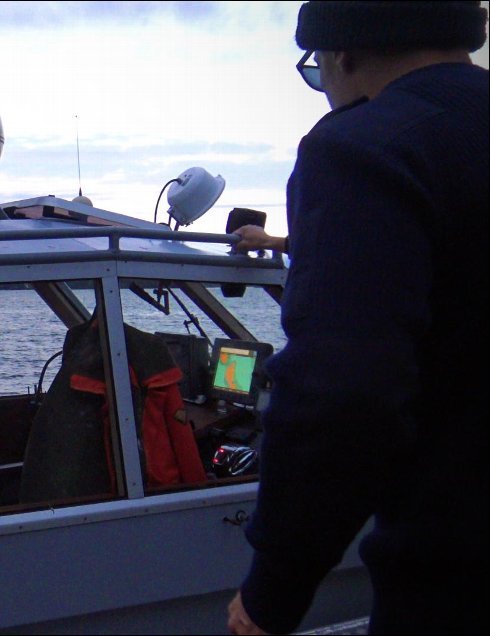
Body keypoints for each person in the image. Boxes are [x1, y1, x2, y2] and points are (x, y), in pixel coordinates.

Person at [227, 2, 488, 634]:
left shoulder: (362, 150)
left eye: (316, 74)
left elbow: (343, 397)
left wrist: (273, 593)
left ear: (342, 54)